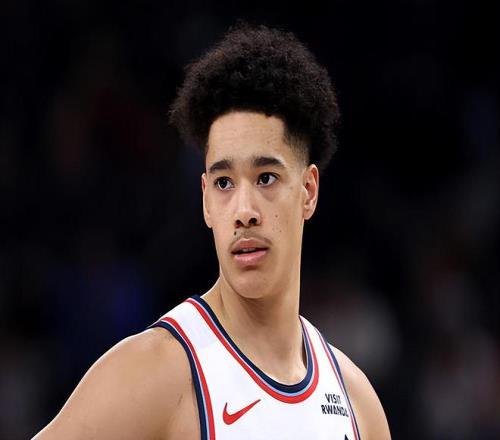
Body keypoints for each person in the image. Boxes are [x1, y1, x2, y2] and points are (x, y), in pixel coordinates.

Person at [33, 21, 391, 440]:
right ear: (205, 200)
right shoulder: (160, 371)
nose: (243, 212)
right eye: (224, 183)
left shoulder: (356, 401)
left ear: (308, 191)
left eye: (266, 178)